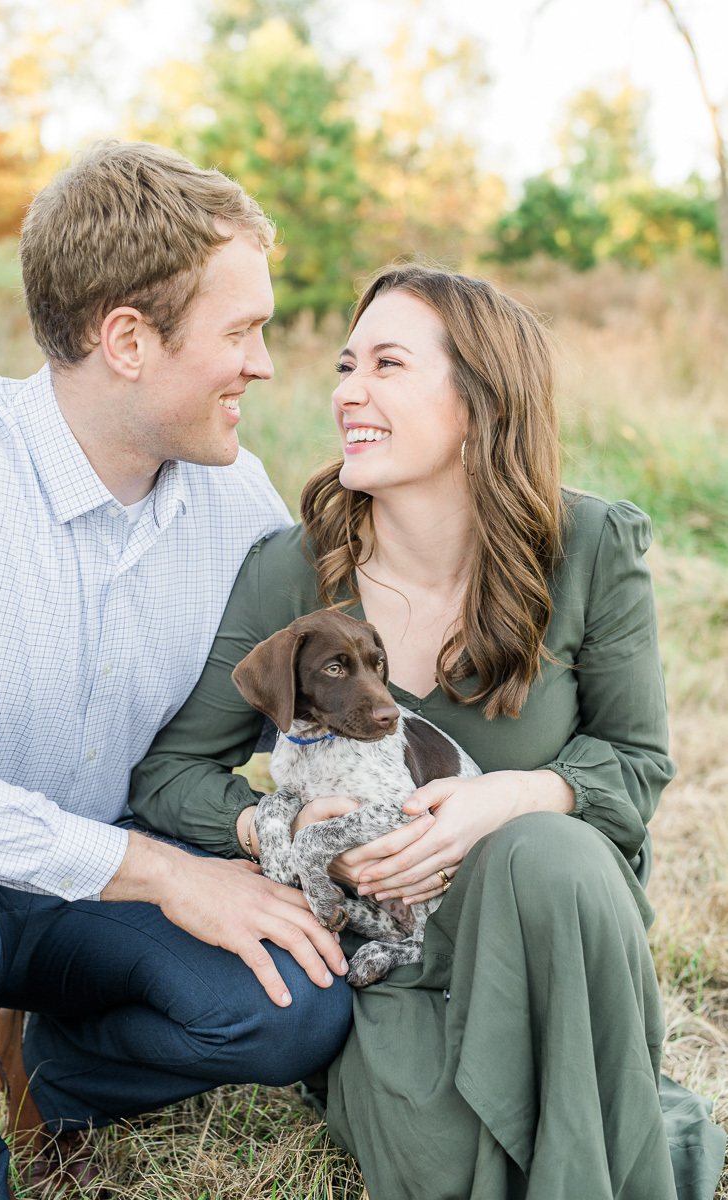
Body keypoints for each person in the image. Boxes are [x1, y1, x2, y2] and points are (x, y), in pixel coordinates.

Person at [129, 264, 727, 1200]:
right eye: (345, 365)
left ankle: (594, 1088)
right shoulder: (292, 572)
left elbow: (637, 763)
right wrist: (277, 826)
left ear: (480, 402)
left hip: (546, 933)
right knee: (445, 1167)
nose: (347, 391)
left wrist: (512, 797)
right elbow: (169, 776)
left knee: (545, 849)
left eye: (388, 364)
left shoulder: (592, 547)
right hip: (390, 957)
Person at [0, 140, 353, 1200]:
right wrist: (169, 874)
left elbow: (307, 708)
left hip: (94, 890)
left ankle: (59, 1071)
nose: (264, 364)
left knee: (296, 1002)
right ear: (127, 340)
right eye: (240, 332)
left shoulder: (238, 499)